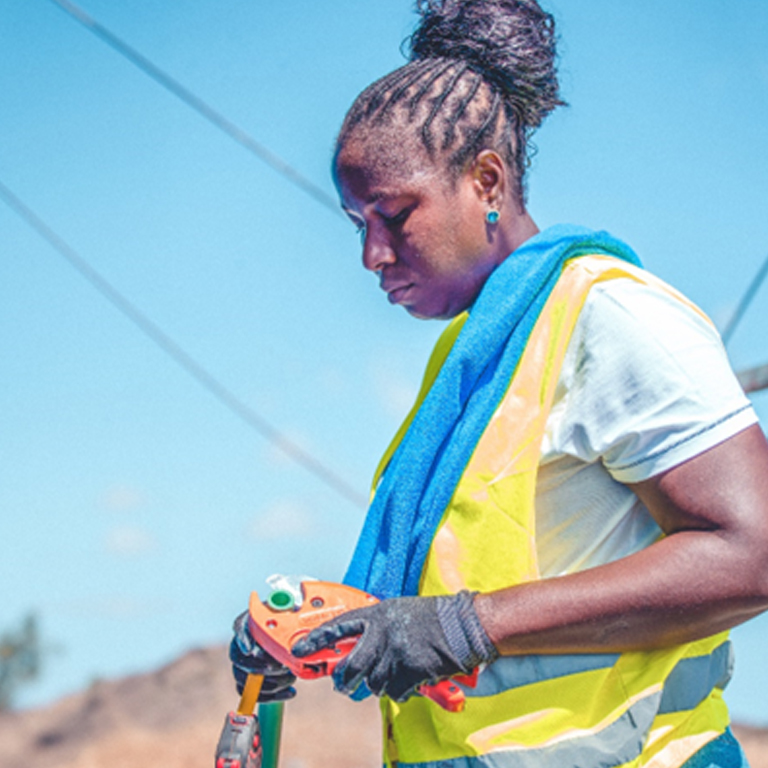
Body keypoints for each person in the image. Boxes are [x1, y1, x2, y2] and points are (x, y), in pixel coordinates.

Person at [230, 1, 768, 766]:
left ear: (487, 181)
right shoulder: (475, 360)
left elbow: (753, 554)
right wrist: (302, 633)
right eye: (358, 224)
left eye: (394, 214)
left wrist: (470, 625)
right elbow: (464, 583)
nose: (372, 254)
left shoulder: (609, 314)